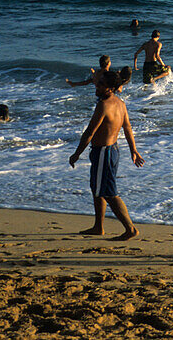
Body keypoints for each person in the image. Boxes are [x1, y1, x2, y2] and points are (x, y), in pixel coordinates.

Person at [68, 70, 144, 240]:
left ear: (110, 88)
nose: (97, 85)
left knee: (108, 192)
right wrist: (133, 150)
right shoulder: (120, 103)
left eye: (101, 84)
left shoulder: (104, 105)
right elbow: (127, 127)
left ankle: (130, 229)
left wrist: (76, 154)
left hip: (104, 152)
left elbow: (89, 132)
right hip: (111, 151)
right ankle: (98, 226)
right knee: (97, 189)